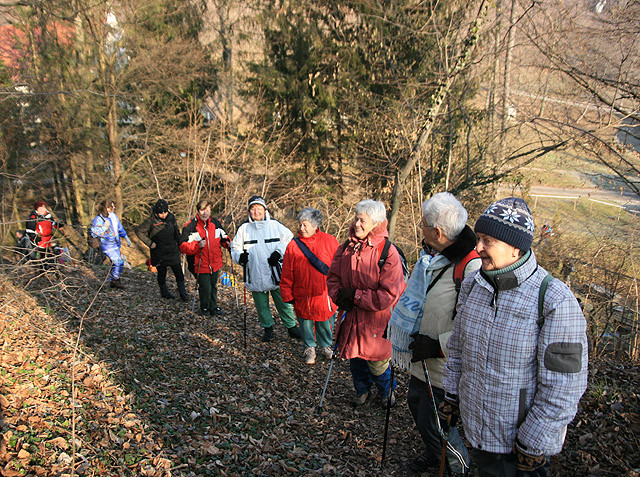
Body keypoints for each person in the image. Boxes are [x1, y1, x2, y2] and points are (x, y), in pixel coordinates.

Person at [441, 197, 588, 477]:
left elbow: (564, 385)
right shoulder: (474, 285)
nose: (478, 248)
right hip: (479, 434)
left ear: (515, 248)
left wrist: (533, 441)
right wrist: (451, 395)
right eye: (479, 238)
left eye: (488, 241)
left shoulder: (554, 300)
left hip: (520, 450)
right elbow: (458, 347)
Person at [388, 192, 480, 476]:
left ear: (437, 232)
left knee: (435, 421)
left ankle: (457, 467)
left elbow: (475, 328)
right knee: (417, 407)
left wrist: (438, 345)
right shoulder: (432, 257)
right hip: (421, 357)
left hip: (444, 365)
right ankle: (434, 453)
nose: (420, 229)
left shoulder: (471, 268)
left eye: (424, 225)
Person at [326, 199, 404, 407]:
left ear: (376, 224)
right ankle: (362, 391)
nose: (357, 224)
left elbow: (388, 295)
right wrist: (339, 295)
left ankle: (387, 391)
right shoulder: (346, 248)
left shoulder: (388, 253)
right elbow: (332, 278)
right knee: (356, 361)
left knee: (378, 363)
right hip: (351, 319)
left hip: (376, 323)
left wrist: (356, 296)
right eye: (356, 219)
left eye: (362, 220)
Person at [230, 195, 301, 342]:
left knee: (284, 302)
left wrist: (279, 252)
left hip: (275, 271)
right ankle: (268, 328)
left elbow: (289, 237)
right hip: (254, 272)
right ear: (249, 211)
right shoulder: (244, 229)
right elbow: (235, 247)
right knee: (261, 306)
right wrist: (240, 257)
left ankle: (291, 327)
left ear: (264, 210)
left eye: (259, 209)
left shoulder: (275, 225)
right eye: (253, 209)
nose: (256, 212)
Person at [280, 207, 339, 364]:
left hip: (324, 293)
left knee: (325, 321)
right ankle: (309, 348)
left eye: (305, 225)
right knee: (305, 322)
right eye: (300, 224)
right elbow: (286, 273)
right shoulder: (293, 246)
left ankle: (326, 345)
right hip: (302, 294)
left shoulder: (330, 241)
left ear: (315, 225)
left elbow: (339, 268)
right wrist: (287, 294)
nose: (301, 228)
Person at [180, 199, 231, 316]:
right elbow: (183, 246)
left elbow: (224, 237)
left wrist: (228, 244)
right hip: (199, 263)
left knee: (213, 286)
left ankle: (213, 307)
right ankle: (204, 307)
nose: (205, 213)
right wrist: (197, 246)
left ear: (210, 211)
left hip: (215, 262)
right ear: (198, 211)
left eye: (207, 210)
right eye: (202, 210)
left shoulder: (216, 224)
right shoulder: (190, 226)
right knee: (205, 287)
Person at [136, 199, 188, 301]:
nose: (163, 215)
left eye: (165, 212)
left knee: (178, 272)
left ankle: (183, 293)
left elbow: (176, 232)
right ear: (156, 212)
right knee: (162, 273)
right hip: (159, 251)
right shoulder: (150, 221)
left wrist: (181, 244)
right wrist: (150, 243)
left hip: (172, 249)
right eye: (161, 213)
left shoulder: (171, 218)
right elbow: (139, 231)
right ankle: (164, 292)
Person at [90, 199, 132, 289]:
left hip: (115, 244)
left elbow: (119, 228)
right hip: (106, 245)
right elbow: (94, 232)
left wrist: (126, 238)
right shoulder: (98, 219)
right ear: (107, 208)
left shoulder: (112, 217)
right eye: (112, 206)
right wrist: (104, 228)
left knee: (118, 262)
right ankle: (114, 279)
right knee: (118, 262)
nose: (114, 208)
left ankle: (114, 280)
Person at [25, 200, 64, 265]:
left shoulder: (48, 216)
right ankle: (43, 270)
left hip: (49, 238)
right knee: (44, 256)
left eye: (43, 207)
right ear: (37, 209)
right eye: (40, 208)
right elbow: (29, 230)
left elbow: (53, 224)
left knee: (56, 252)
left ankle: (55, 268)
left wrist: (58, 225)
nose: (42, 209)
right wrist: (35, 238)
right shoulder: (33, 218)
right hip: (40, 239)